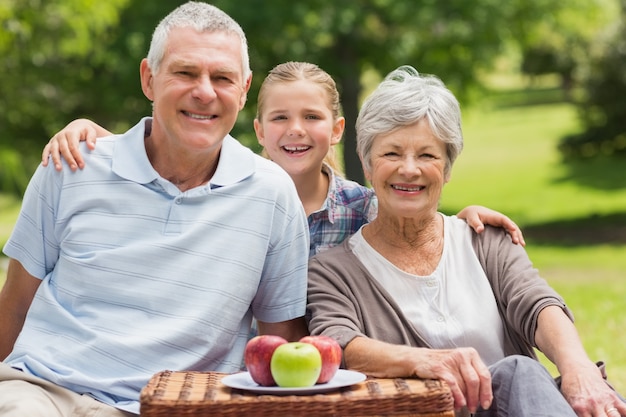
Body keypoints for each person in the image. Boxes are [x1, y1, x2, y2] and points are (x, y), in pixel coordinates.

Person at [0, 3, 310, 416]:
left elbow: (281, 342)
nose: (204, 91)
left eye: (222, 78)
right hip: (43, 390)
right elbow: (16, 304)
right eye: (185, 73)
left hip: (171, 406)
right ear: (149, 78)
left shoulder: (272, 194)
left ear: (244, 89)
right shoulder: (71, 167)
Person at [306, 65, 626, 417]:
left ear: (447, 168)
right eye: (392, 153)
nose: (409, 169)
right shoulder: (331, 272)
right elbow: (339, 343)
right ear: (367, 166)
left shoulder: (483, 240)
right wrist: (428, 361)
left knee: (532, 379)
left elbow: (537, 304)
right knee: (516, 370)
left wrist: (578, 369)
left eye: (427, 155)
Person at [42, 62, 525, 254]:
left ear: (336, 130)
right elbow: (165, 156)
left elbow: (416, 222)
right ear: (257, 131)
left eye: (312, 117)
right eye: (279, 119)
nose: (295, 131)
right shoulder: (227, 196)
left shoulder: (362, 209)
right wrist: (94, 135)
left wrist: (461, 222)